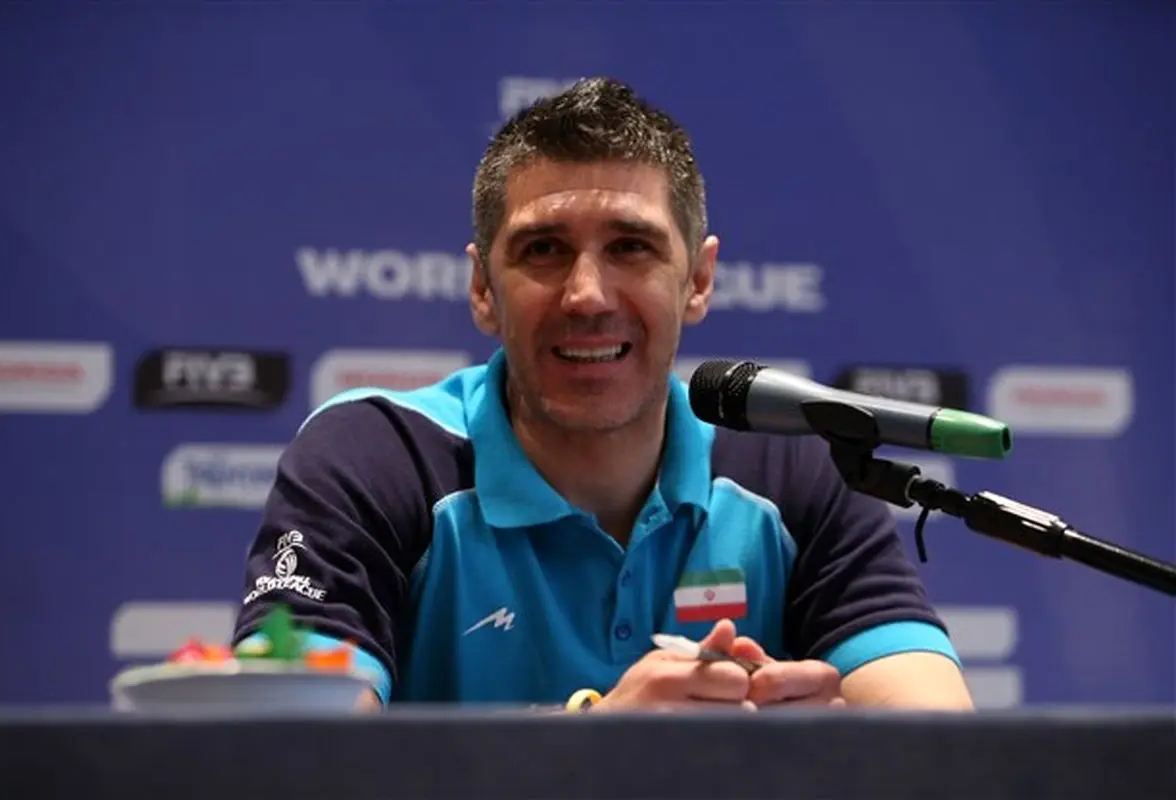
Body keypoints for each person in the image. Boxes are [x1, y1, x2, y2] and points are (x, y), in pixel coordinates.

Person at [232, 77, 974, 712]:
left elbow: (939, 742)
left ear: (699, 280)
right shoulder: (376, 457)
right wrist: (594, 746)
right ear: (483, 288)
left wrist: (824, 757)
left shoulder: (791, 465)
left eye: (631, 247)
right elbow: (289, 758)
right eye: (544, 249)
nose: (587, 295)